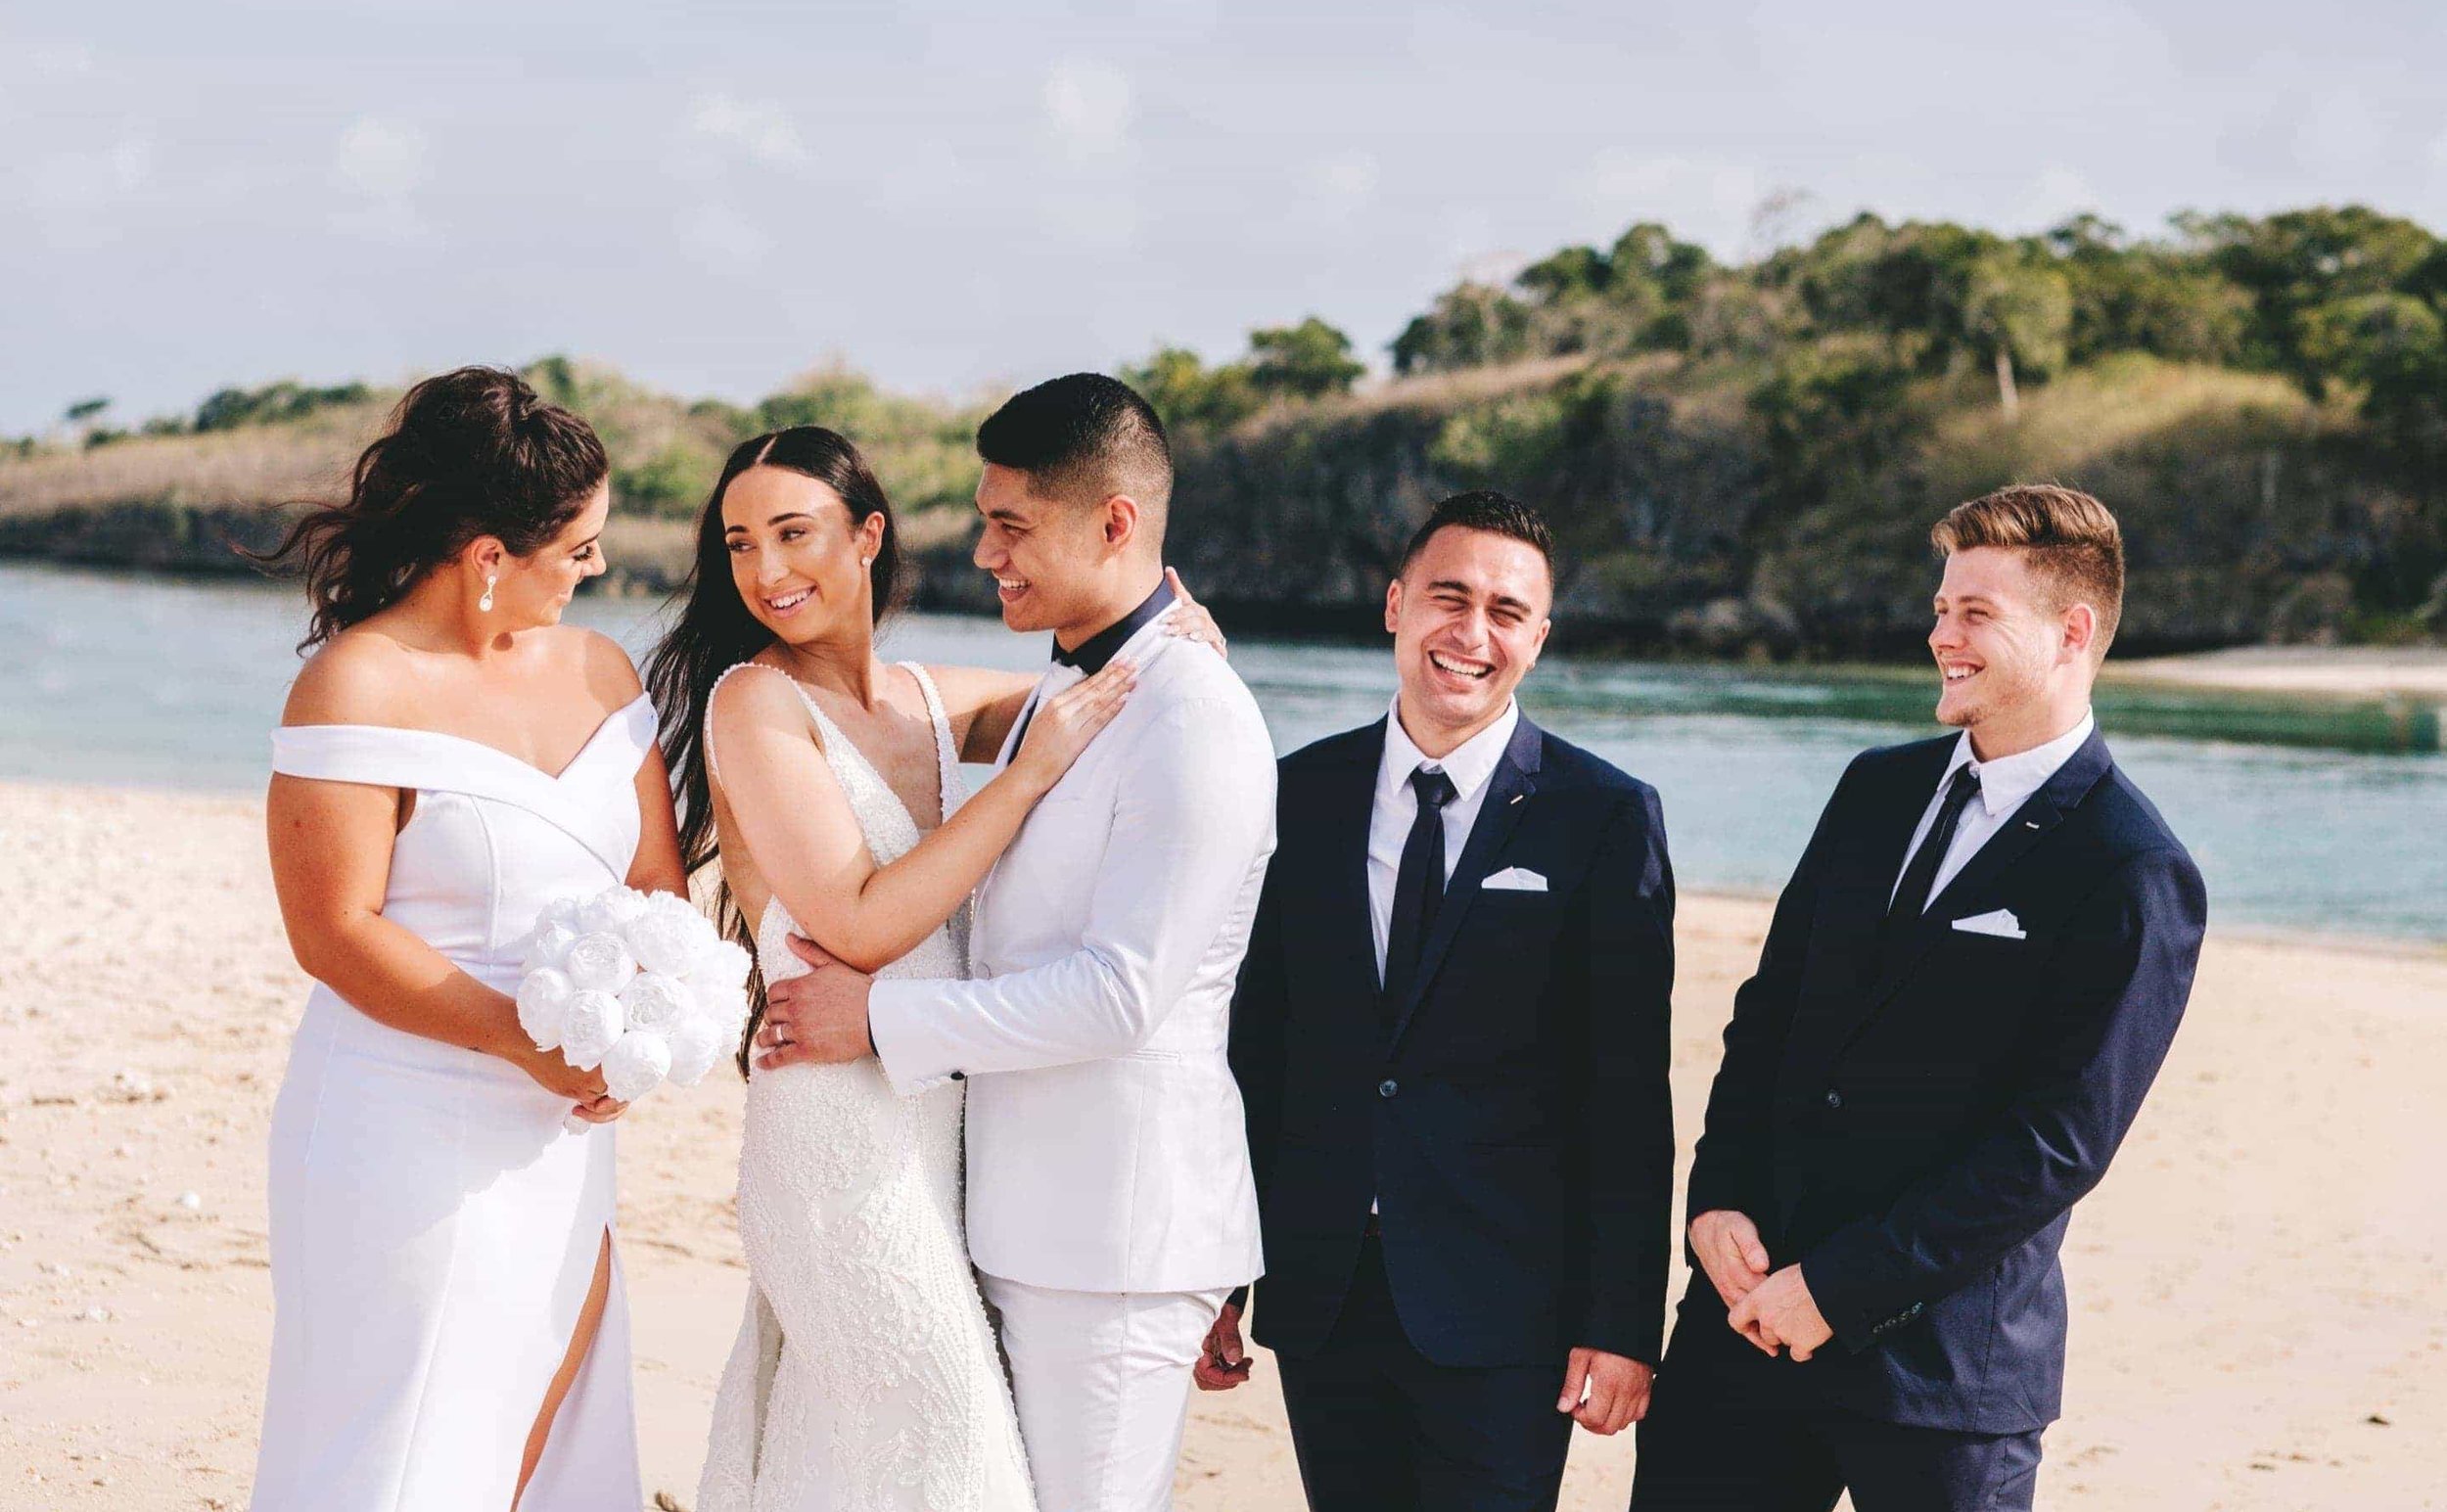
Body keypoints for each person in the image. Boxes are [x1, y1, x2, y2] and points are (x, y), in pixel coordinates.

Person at [649, 425, 1220, 1511]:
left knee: (853, 1458)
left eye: (793, 532)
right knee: (952, 1452)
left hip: (948, 1140)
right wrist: (1027, 775)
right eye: (738, 544)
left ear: (868, 534)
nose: (767, 570)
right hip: (834, 1144)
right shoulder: (751, 702)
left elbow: (1097, 682)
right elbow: (861, 923)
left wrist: (1179, 638)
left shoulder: (926, 694)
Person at [1631, 483, 2207, 1512]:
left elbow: (2055, 1144)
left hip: (1943, 1372)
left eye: (1974, 613)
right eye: (1942, 607)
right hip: (1742, 1323)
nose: (1939, 634)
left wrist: (1837, 1287)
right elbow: (1767, 1016)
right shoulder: (1872, 787)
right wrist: (1714, 1198)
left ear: (2072, 631)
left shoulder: (2131, 866)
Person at [251, 367, 685, 1512]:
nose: (595, 569)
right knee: (403, 1440)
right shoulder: (357, 683)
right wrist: (518, 1037)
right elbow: (333, 931)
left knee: (542, 1423)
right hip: (403, 1120)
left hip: (559, 1121)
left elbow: (653, 881)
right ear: (490, 554)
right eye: (578, 549)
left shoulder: (600, 668)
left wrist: (642, 1025)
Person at [1204, 489, 1677, 1511]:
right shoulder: (1297, 794)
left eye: (1506, 612)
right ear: (1393, 605)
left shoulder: (1601, 816)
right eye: (1447, 597)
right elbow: (1255, 1052)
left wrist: (1623, 1320)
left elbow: (1627, 1091)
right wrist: (1216, 1269)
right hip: (1322, 1283)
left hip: (1506, 1299)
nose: (1471, 632)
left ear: (1538, 639)